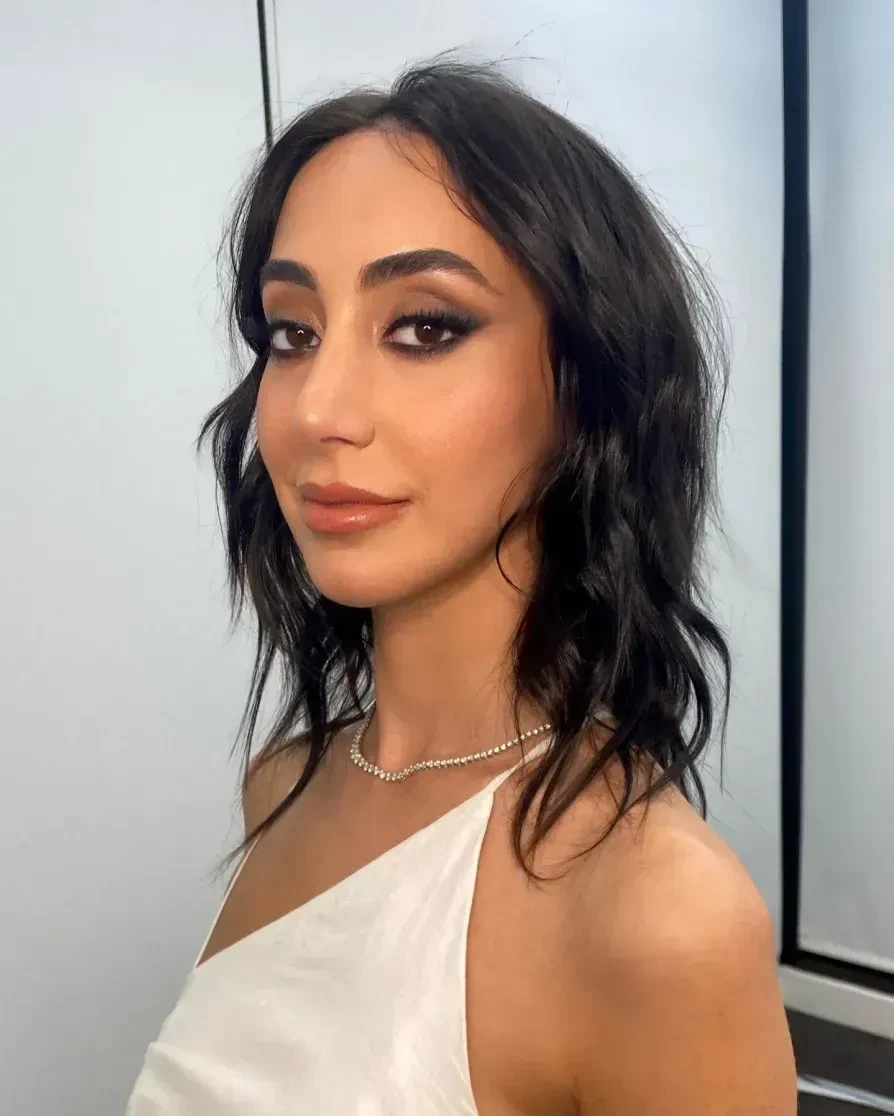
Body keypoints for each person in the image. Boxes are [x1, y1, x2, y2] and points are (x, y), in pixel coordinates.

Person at [126, 56, 796, 1115]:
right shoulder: (286, 783)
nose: (319, 409)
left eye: (425, 327)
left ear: (586, 383)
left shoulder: (660, 917)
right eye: (293, 333)